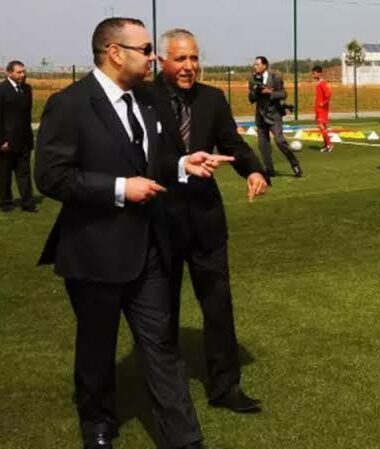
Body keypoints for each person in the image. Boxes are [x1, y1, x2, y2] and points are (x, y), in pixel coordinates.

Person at [35, 17, 232, 449]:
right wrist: (120, 189)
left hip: (150, 250)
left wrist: (181, 164)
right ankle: (98, 425)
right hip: (93, 252)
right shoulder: (70, 104)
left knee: (161, 346)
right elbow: (50, 176)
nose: (154, 58)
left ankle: (184, 439)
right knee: (97, 347)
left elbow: (150, 162)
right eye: (145, 50)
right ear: (114, 53)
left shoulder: (147, 101)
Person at [152, 28, 267, 413]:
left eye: (194, 58)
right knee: (162, 310)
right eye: (180, 59)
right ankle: (166, 391)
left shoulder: (212, 98)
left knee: (218, 304)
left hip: (205, 219)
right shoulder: (144, 98)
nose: (190, 66)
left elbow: (231, 143)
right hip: (160, 219)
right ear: (162, 61)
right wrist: (179, 165)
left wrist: (253, 169)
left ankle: (226, 387)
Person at [248, 56, 302, 178]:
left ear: (265, 65)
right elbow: (251, 99)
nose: (255, 66)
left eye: (257, 64)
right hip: (260, 116)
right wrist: (256, 92)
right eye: (254, 64)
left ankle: (295, 164)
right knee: (263, 145)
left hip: (274, 114)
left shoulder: (275, 77)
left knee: (280, 141)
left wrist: (270, 93)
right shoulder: (252, 79)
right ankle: (269, 170)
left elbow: (283, 94)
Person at [0, 60, 38, 212]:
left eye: (23, 71)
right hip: (6, 142)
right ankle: (5, 203)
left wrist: (29, 138)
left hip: (24, 140)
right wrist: (2, 140)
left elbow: (26, 116)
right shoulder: (2, 90)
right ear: (9, 73)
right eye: (19, 72)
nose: (23, 74)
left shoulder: (27, 89)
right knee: (4, 175)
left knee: (24, 173)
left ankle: (28, 203)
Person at [311, 65, 333, 152]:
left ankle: (329, 145)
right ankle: (326, 145)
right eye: (312, 73)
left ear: (319, 73)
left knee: (321, 126)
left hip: (322, 109)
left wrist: (322, 103)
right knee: (322, 126)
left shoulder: (323, 83)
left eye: (314, 73)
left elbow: (328, 95)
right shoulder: (318, 83)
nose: (313, 75)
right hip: (318, 109)